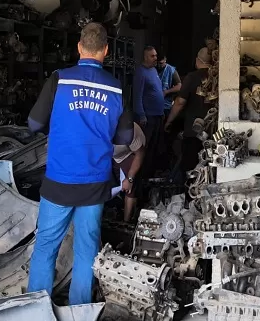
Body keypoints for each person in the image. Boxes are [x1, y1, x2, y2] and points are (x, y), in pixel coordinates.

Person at [26, 23, 133, 305]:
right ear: (106, 50)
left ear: (79, 47)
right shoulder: (116, 88)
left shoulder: (59, 80)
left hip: (59, 181)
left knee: (46, 247)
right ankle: (80, 310)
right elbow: (126, 137)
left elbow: (34, 123)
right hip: (94, 183)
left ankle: (36, 309)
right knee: (86, 251)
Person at [164, 47, 214, 178]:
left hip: (193, 132)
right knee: (212, 166)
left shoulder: (192, 77)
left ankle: (190, 189)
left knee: (191, 167)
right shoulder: (217, 77)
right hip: (213, 131)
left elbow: (180, 102)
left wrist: (169, 121)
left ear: (197, 60)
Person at [133, 46, 165, 173]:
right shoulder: (140, 73)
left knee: (155, 146)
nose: (155, 58)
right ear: (145, 57)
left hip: (158, 115)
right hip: (148, 117)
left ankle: (151, 173)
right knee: (145, 147)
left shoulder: (153, 70)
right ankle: (142, 174)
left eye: (156, 55)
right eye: (152, 56)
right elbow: (137, 96)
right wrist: (141, 115)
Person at [112, 122, 145, 222]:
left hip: (128, 153)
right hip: (110, 156)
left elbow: (140, 154)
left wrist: (130, 178)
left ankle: (126, 221)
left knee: (130, 189)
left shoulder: (129, 131)